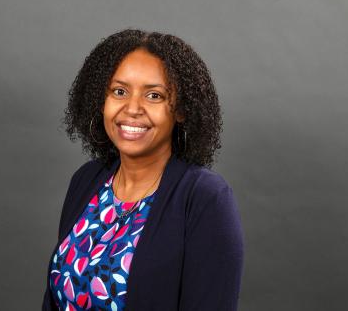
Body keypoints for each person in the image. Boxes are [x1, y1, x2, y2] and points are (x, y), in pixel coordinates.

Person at [42, 29, 244, 311]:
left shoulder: (206, 198)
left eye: (154, 95)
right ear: (102, 101)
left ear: (181, 110)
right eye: (119, 91)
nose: (132, 108)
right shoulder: (87, 180)